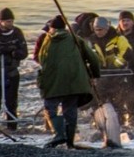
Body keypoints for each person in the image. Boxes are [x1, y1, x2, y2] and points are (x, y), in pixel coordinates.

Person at [38, 15, 101, 148]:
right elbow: (93, 58)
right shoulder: (76, 39)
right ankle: (70, 142)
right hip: (75, 81)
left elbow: (41, 60)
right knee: (70, 110)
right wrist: (94, 75)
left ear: (52, 28)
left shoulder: (47, 41)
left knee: (51, 108)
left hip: (53, 82)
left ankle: (59, 134)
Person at [0, 8, 28, 131]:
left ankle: (12, 126)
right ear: (1, 21)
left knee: (11, 101)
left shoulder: (17, 32)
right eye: (7, 21)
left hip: (11, 71)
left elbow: (24, 53)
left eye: (11, 21)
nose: (10, 24)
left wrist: (13, 52)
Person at [86, 17, 134, 120]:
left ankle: (120, 122)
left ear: (106, 29)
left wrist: (116, 65)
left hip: (117, 74)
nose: (98, 32)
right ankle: (98, 120)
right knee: (96, 98)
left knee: (117, 101)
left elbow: (126, 53)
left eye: (100, 29)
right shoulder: (91, 40)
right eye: (95, 29)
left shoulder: (119, 39)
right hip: (101, 73)